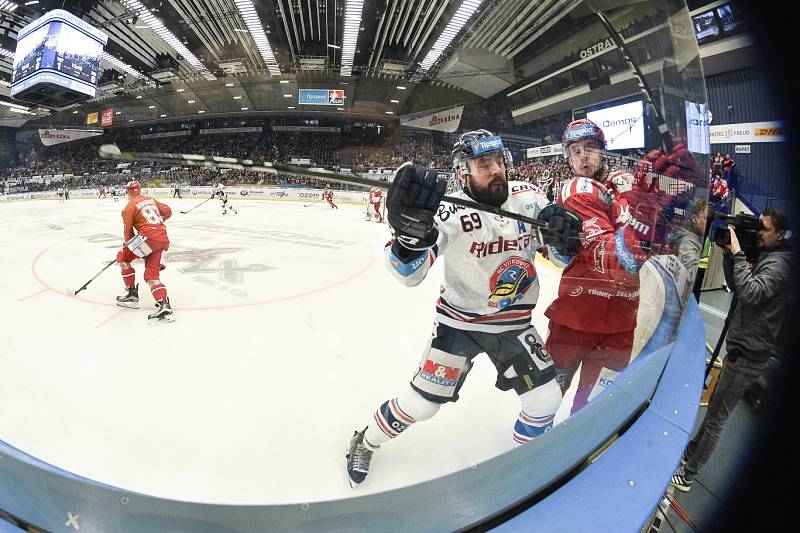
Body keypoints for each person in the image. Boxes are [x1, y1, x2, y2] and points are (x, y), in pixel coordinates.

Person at [345, 130, 579, 487]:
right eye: (484, 164)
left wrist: (566, 237)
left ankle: (525, 471)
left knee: (546, 399)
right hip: (459, 325)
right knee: (421, 406)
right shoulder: (448, 211)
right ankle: (365, 440)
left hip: (513, 326)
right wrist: (408, 241)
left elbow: (561, 256)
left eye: (499, 161)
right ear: (463, 172)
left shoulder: (528, 198)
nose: (497, 170)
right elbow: (408, 274)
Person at [671, 207, 792, 492]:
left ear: (781, 234)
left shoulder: (780, 265)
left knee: (716, 420)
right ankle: (691, 453)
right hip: (743, 348)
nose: (759, 234)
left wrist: (738, 255)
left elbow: (751, 292)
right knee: (714, 410)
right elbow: (739, 286)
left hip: (749, 356)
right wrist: (728, 255)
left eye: (764, 229)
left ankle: (689, 475)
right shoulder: (769, 256)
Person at [543, 119, 650, 415]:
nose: (582, 156)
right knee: (544, 403)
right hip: (576, 321)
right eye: (575, 150)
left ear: (602, 150)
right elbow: (612, 258)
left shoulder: (623, 183)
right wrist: (647, 223)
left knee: (592, 413)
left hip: (619, 327)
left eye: (589, 148)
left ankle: (580, 460)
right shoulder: (577, 188)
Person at [115, 180, 175, 324]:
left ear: (128, 192)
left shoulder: (128, 207)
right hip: (163, 238)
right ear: (140, 190)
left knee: (122, 258)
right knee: (152, 275)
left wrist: (128, 244)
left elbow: (128, 232)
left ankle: (131, 294)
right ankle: (164, 306)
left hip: (147, 238)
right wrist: (158, 221)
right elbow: (168, 211)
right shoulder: (150, 199)